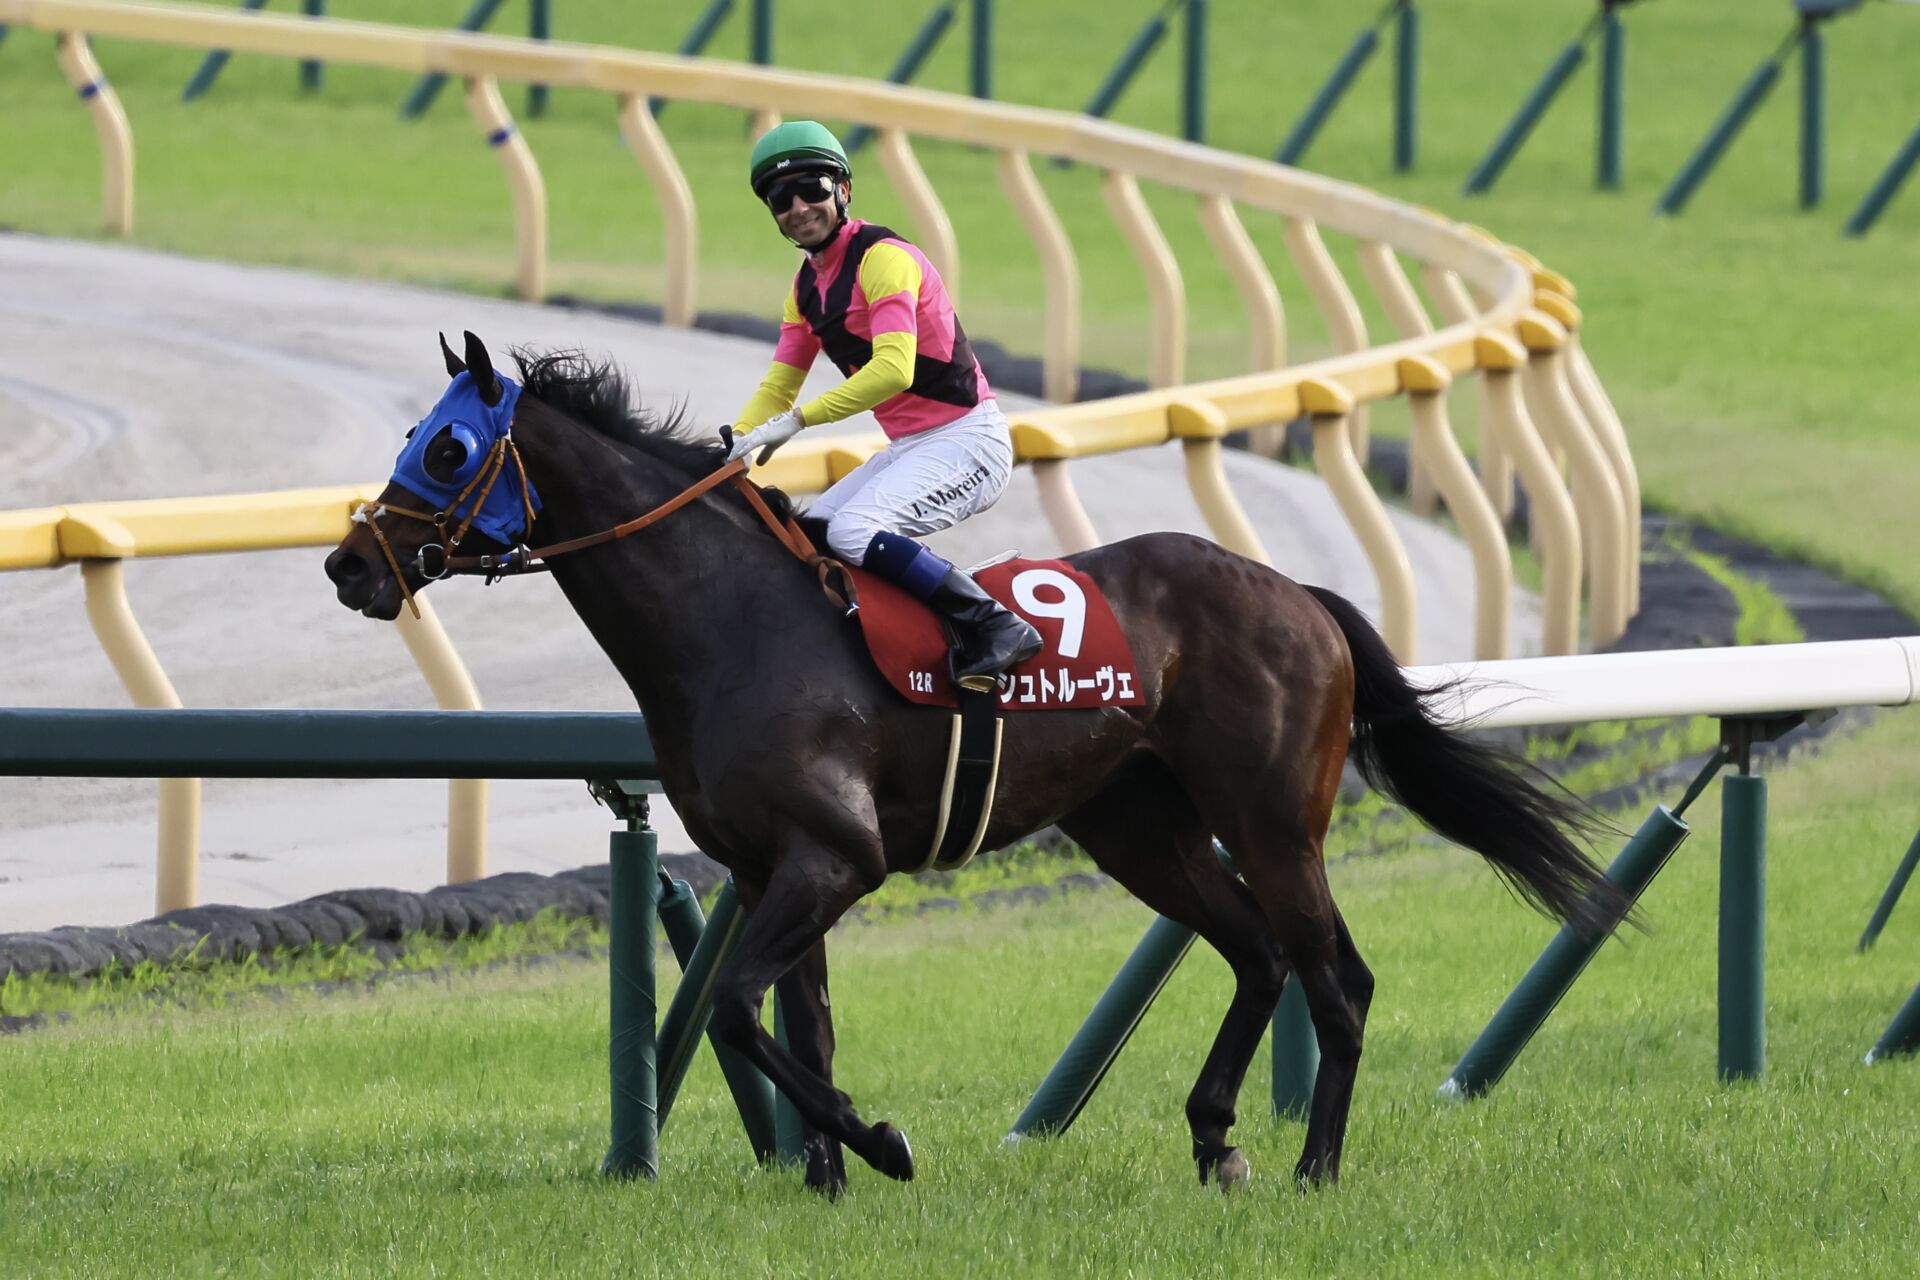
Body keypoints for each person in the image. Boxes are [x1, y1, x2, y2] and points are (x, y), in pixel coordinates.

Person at [727, 120, 1042, 693]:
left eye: (812, 188)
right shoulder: (804, 290)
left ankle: (994, 625)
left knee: (853, 530)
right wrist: (733, 446)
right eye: (780, 197)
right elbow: (778, 387)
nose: (799, 207)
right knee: (814, 534)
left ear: (843, 189)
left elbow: (893, 368)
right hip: (915, 446)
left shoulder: (884, 259)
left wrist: (801, 421)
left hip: (970, 440)